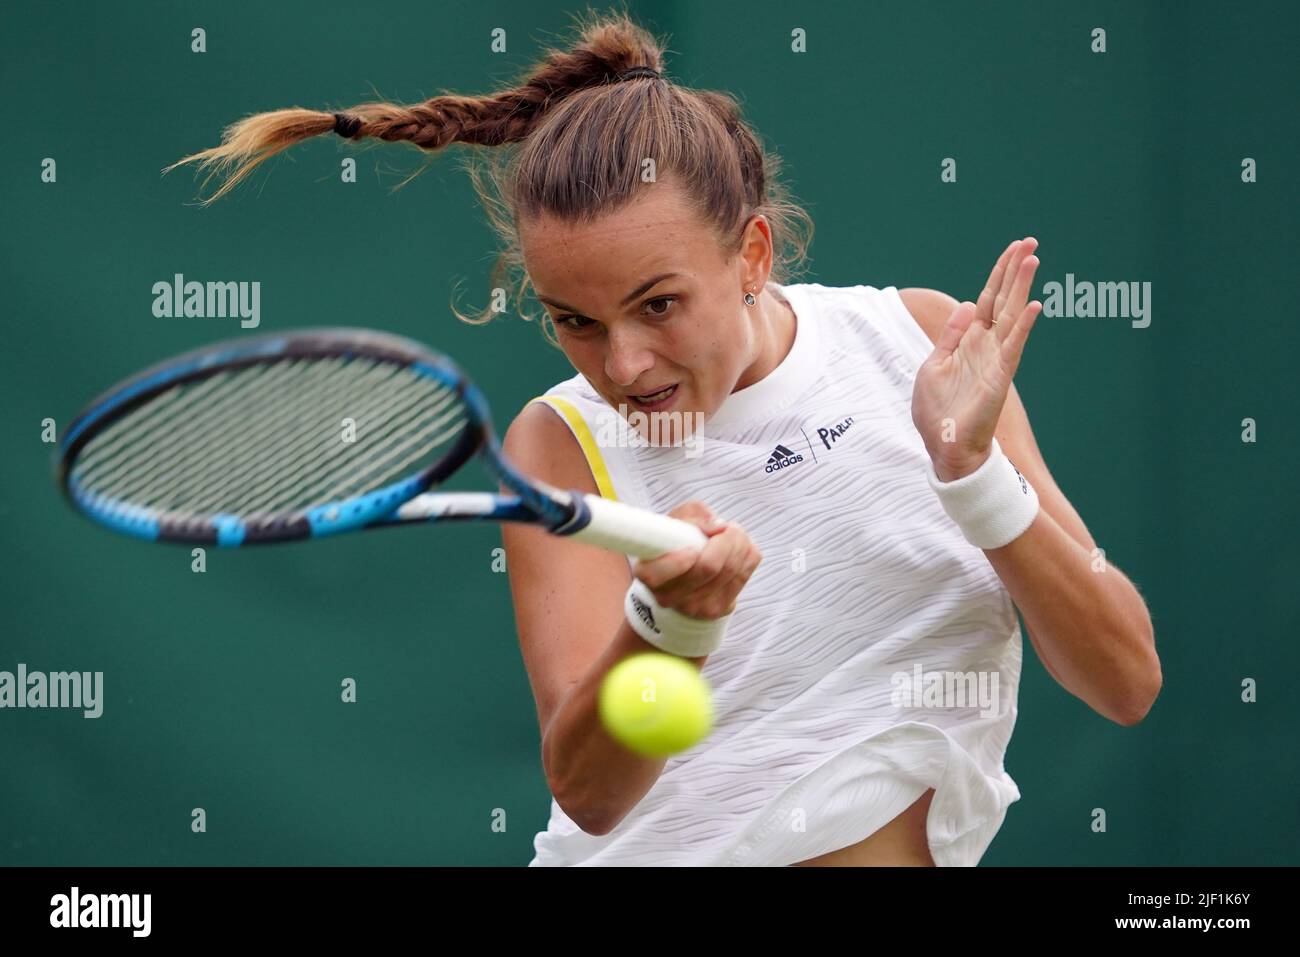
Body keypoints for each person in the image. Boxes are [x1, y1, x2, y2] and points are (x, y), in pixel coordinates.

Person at [164, 11, 1161, 867]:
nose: (625, 363)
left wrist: (971, 475)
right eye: (575, 320)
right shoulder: (562, 444)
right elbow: (590, 793)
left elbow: (1124, 680)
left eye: (658, 304)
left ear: (752, 252)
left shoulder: (916, 345)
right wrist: (670, 626)